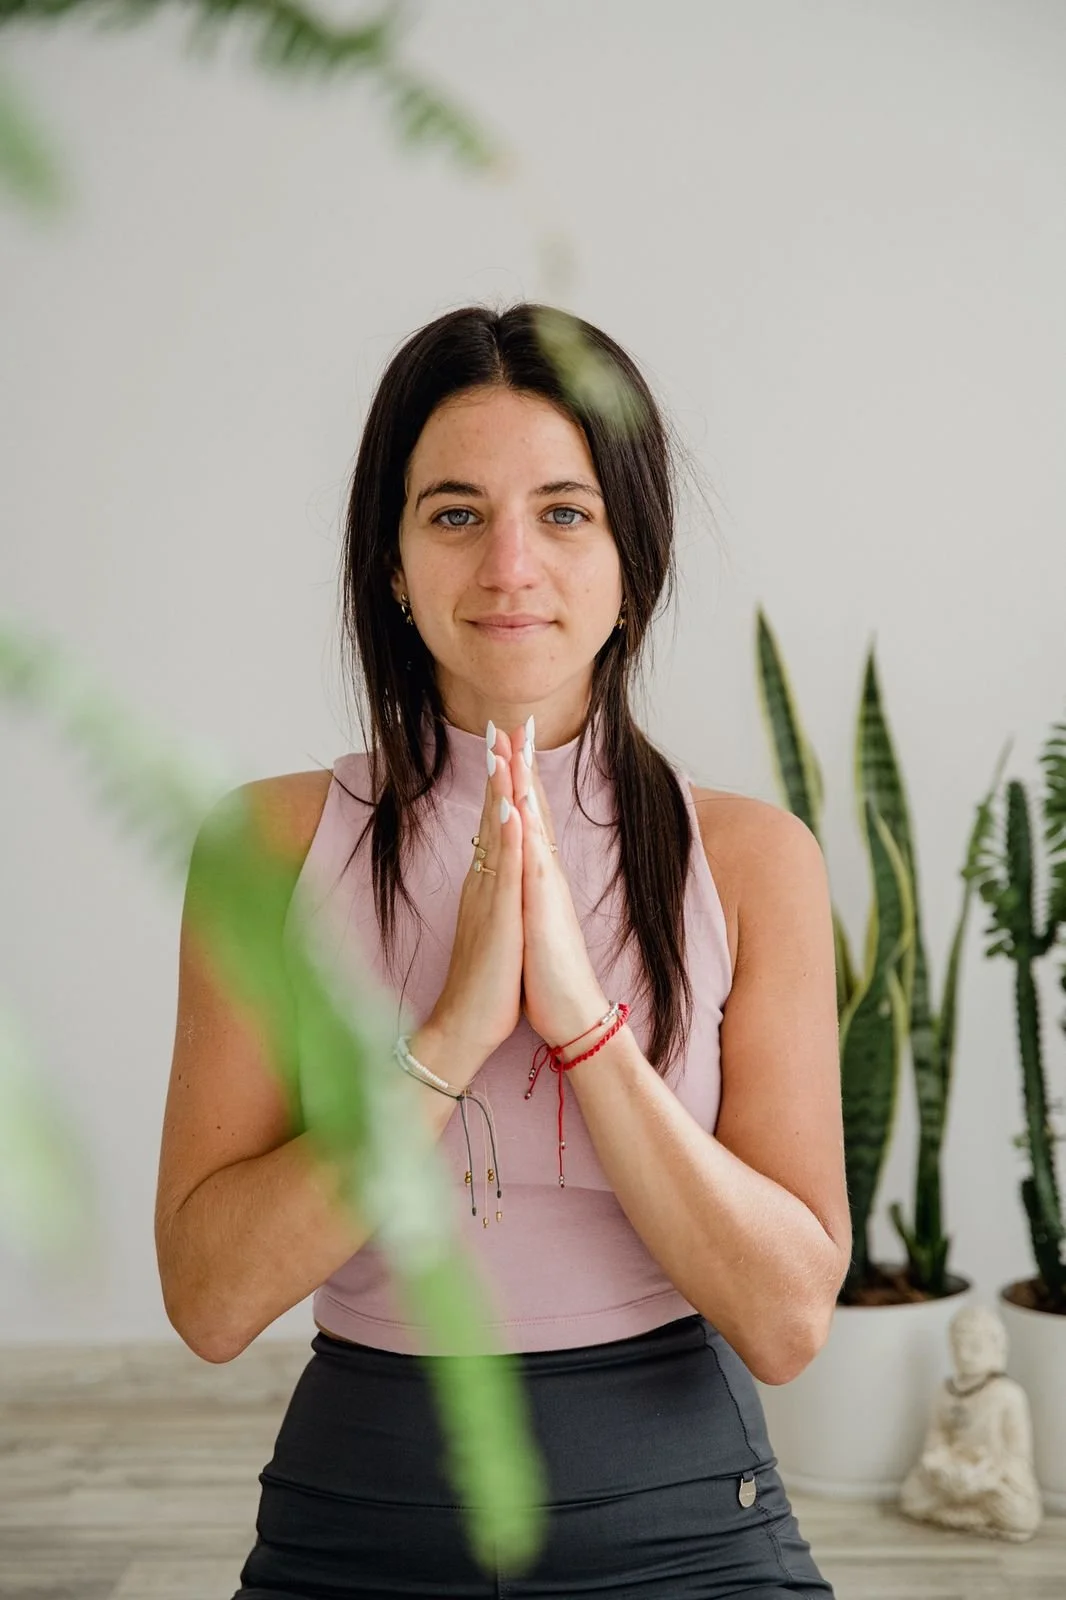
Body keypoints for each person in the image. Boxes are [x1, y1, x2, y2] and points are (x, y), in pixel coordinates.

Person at [155, 302, 850, 1598]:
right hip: (358, 1511)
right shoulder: (266, 843)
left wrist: (582, 1027)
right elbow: (208, 1301)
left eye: (564, 512)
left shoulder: (752, 861)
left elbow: (786, 1316)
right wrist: (449, 1037)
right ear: (392, 563)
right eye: (456, 512)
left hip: (689, 1520)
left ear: (632, 560)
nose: (509, 566)